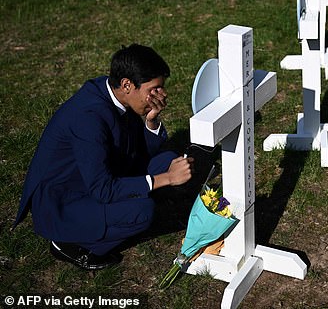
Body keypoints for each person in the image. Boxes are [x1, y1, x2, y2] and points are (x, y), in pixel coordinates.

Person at [12, 44, 193, 270]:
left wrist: (151, 120)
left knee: (167, 160)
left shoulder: (115, 94)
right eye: (154, 89)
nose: (159, 96)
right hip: (65, 201)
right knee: (142, 211)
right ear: (127, 84)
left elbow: (137, 151)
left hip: (101, 173)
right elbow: (102, 189)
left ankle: (131, 200)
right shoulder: (89, 117)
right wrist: (166, 179)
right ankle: (70, 244)